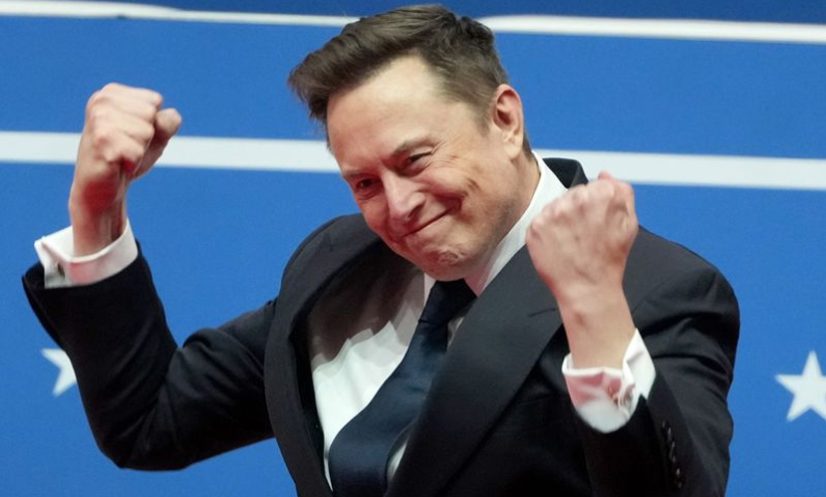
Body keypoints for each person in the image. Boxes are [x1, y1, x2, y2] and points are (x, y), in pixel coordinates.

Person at [23, 5, 739, 497]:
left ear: (504, 119)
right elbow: (151, 422)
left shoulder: (657, 288)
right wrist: (96, 210)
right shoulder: (336, 266)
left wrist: (592, 309)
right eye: (364, 182)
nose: (396, 208)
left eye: (415, 160)